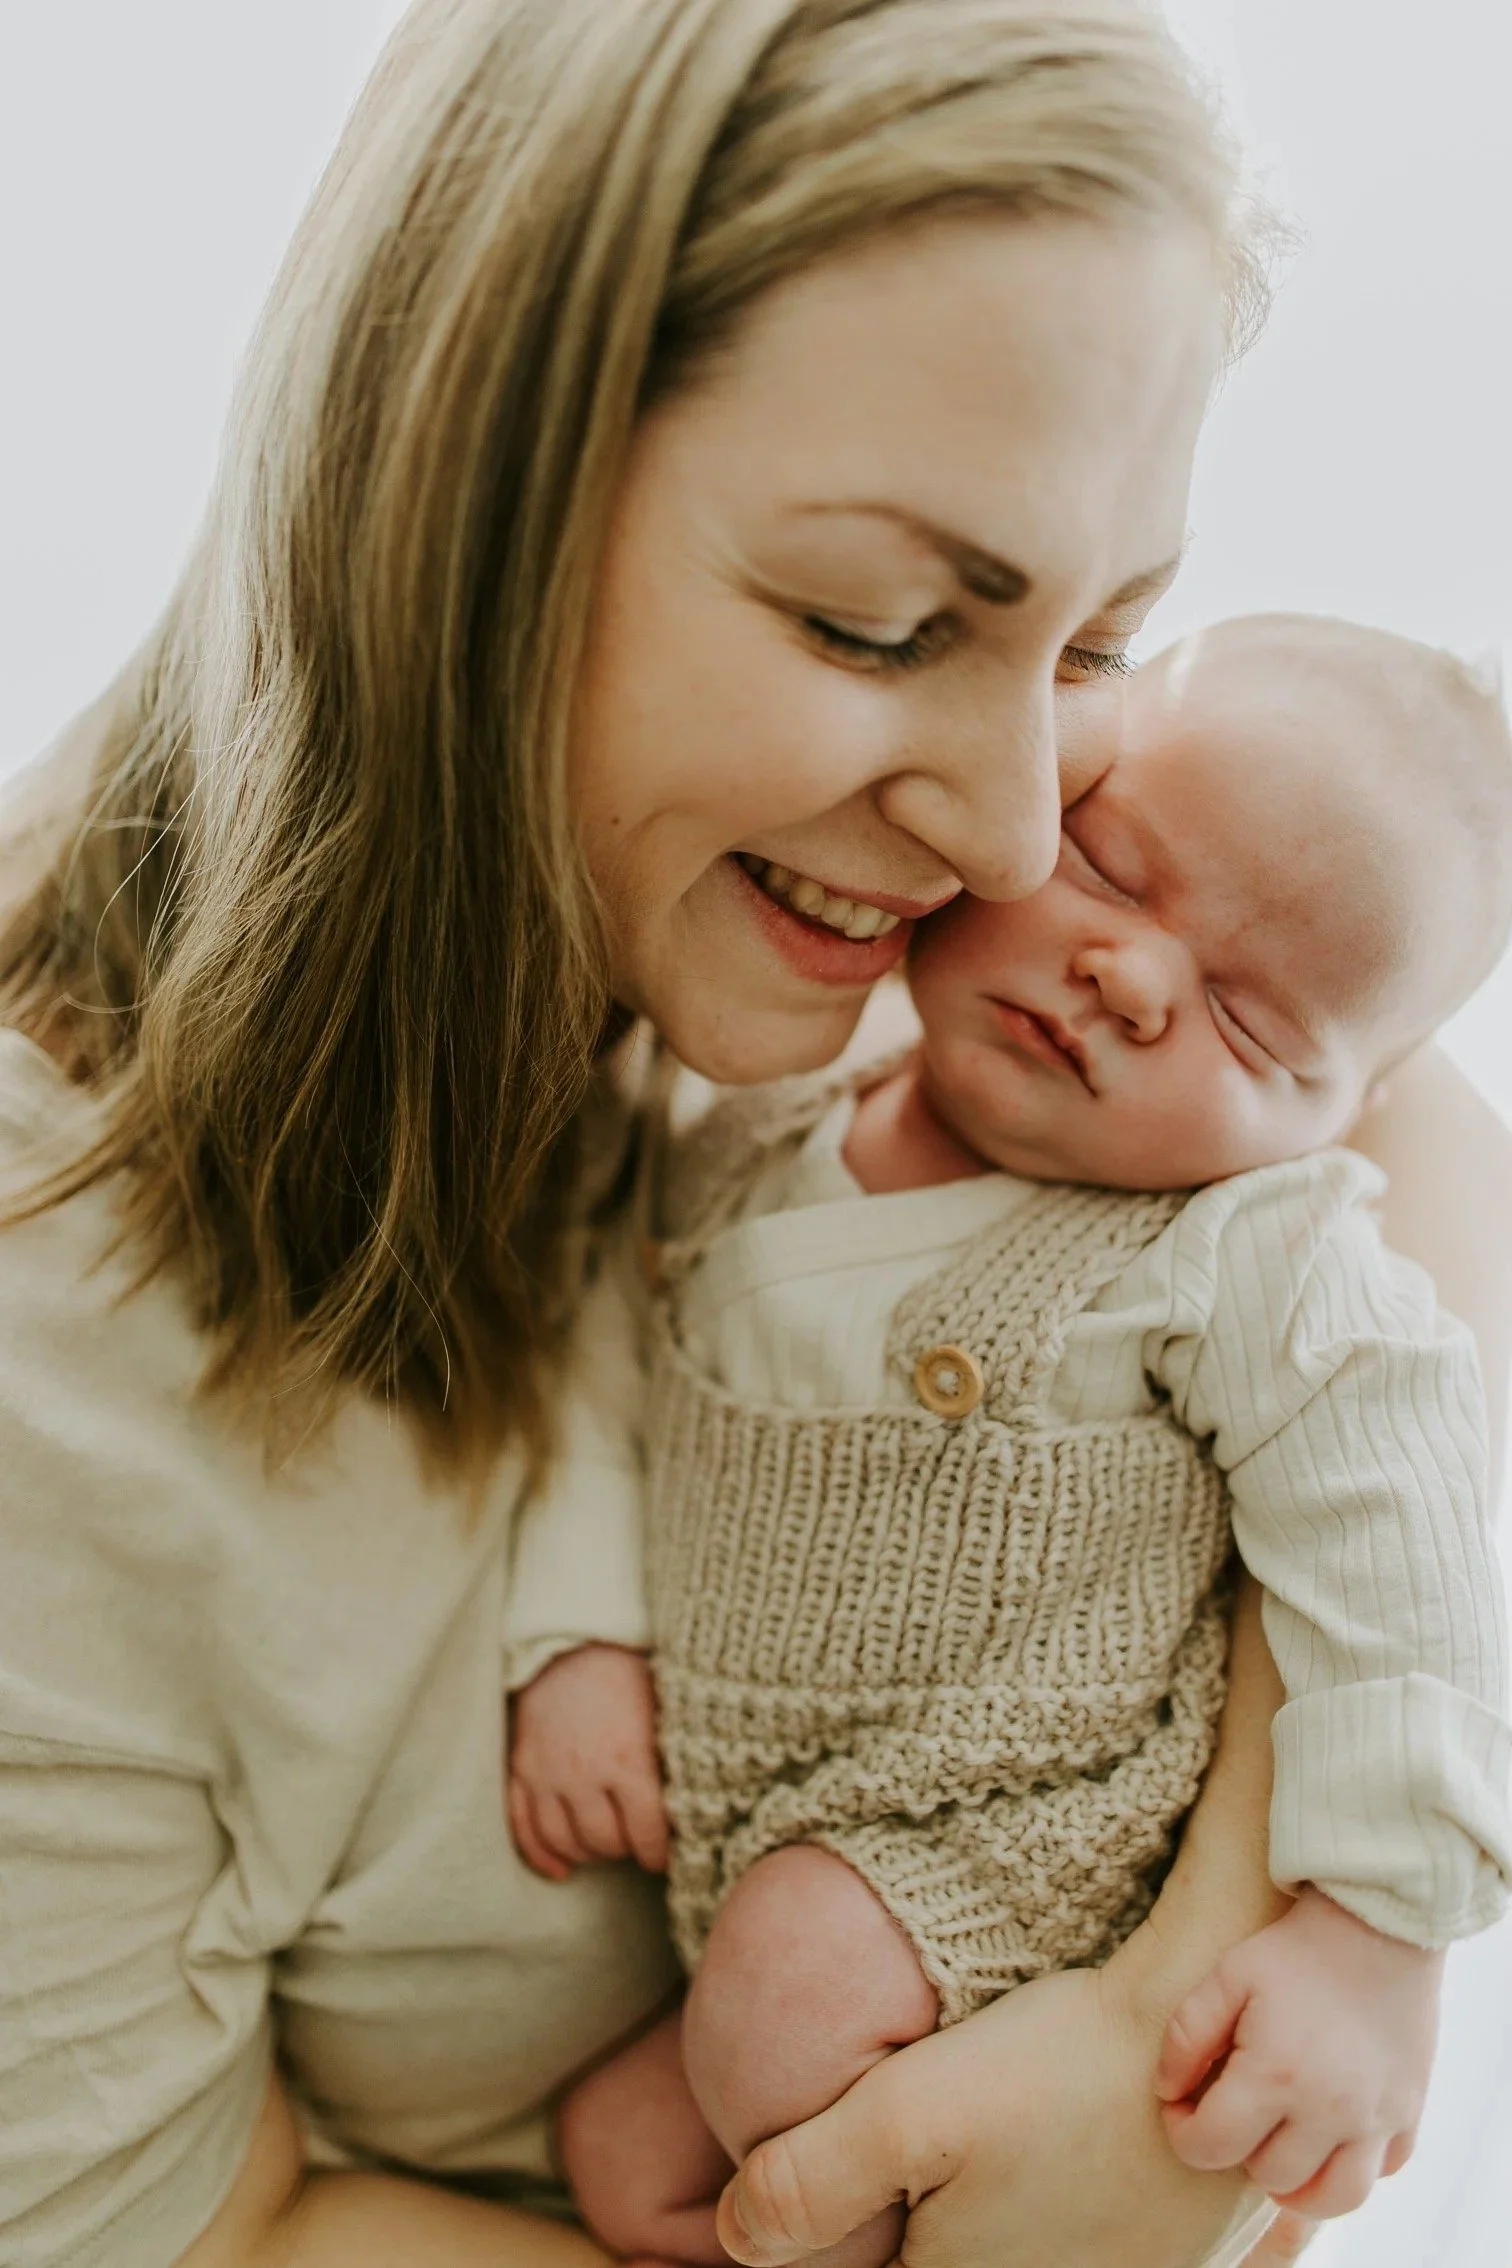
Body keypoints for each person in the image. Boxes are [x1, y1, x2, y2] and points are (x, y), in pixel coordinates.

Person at [0, 5, 1507, 2267]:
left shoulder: (921, 964)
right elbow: (203, 2237)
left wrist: (1216, 1973)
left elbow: (1395, 1116)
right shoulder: (60, 1405)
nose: (1023, 836)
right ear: (457, 501)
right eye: (886, 625)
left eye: (1106, 638)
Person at [513, 613, 1512, 2267]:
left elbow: (1407, 1542)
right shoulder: (758, 1114)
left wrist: (1372, 1935)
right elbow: (607, 1372)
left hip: (1029, 1845)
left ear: (1352, 1114)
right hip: (780, 1849)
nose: (1129, 980)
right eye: (1114, 871)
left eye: (1253, 1030)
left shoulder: (1249, 1251)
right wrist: (578, 1638)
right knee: (616, 2145)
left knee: (786, 1994)